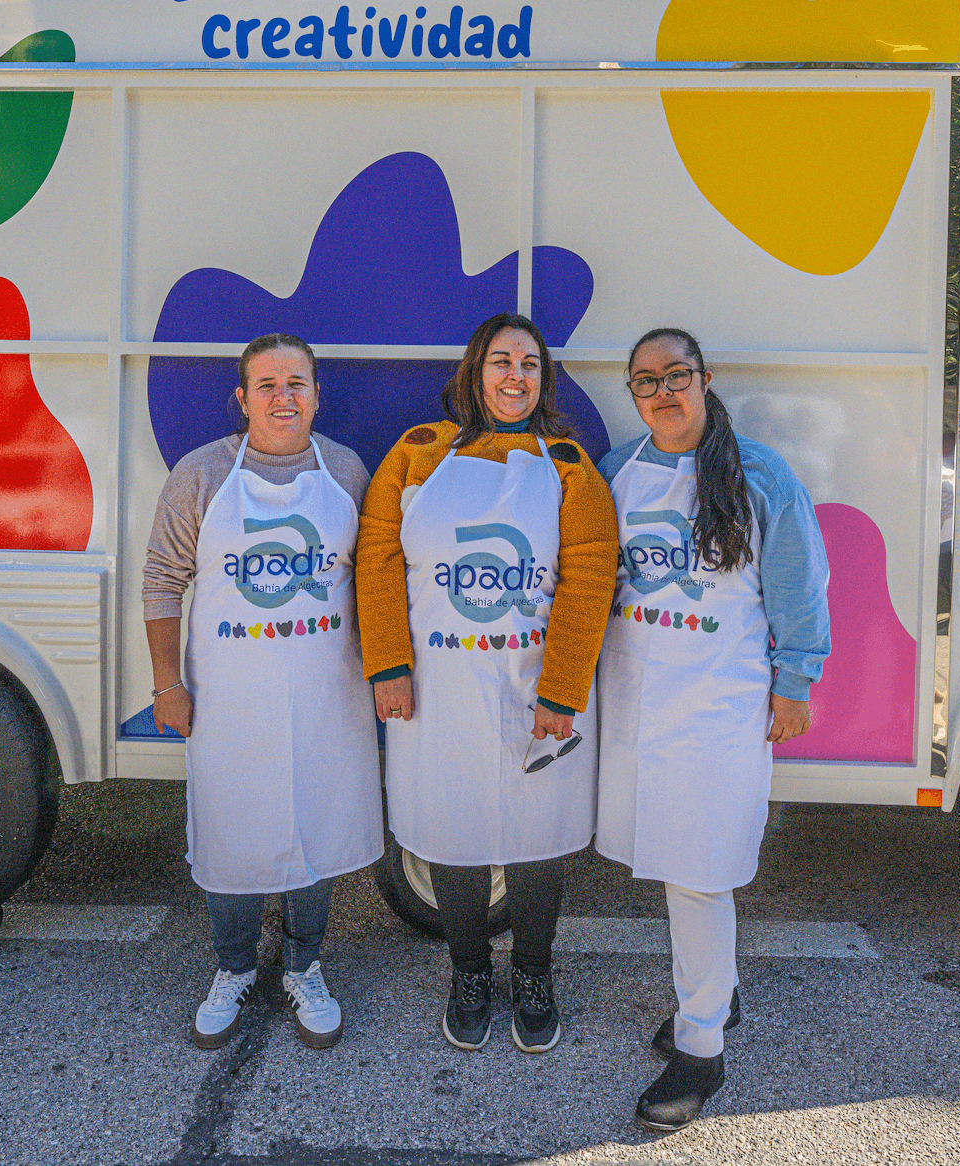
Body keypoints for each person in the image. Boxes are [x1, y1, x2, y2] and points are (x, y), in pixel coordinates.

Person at [357, 312, 616, 1055]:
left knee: (539, 838)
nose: (516, 377)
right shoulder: (416, 453)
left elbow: (591, 575)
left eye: (530, 365)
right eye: (502, 361)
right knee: (450, 828)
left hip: (537, 691)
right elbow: (376, 559)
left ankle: (533, 974)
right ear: (475, 371)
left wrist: (563, 688)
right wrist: (388, 664)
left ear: (544, 380)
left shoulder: (568, 463)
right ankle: (470, 971)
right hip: (435, 689)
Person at [596, 327, 831, 1132]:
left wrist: (795, 680)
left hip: (720, 705)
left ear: (705, 379)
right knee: (667, 856)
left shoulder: (758, 474)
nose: (662, 392)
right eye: (645, 381)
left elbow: (800, 585)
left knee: (700, 867)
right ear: (632, 394)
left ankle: (701, 1047)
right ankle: (717, 995)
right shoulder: (617, 471)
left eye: (676, 376)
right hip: (635, 702)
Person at [143, 333, 382, 1052]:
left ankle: (305, 967)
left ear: (317, 394)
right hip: (227, 699)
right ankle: (234, 967)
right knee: (231, 831)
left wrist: (383, 674)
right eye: (268, 384)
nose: (284, 396)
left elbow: (373, 581)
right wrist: (167, 684)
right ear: (242, 398)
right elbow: (162, 580)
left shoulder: (345, 470)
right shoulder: (202, 473)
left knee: (314, 828)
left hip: (325, 698)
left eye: (297, 382)